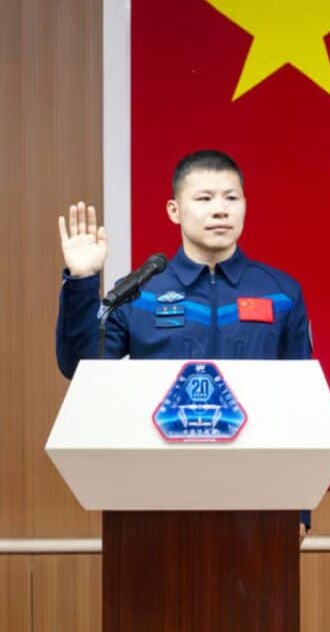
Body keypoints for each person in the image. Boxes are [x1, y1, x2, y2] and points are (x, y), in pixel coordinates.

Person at [56, 149, 314, 533]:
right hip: (153, 497)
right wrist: (81, 281)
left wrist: (299, 509)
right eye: (204, 198)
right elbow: (78, 366)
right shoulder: (139, 292)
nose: (221, 210)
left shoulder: (280, 293)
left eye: (231, 197)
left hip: (257, 500)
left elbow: (302, 404)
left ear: (245, 205)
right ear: (174, 210)